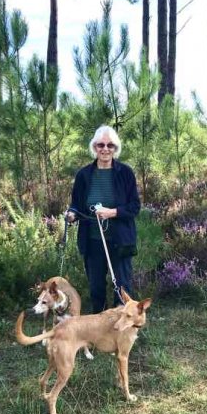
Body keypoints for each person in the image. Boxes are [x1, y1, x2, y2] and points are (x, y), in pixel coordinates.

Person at [66, 125, 140, 314]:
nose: (105, 149)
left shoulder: (125, 173)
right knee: (96, 288)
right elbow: (76, 204)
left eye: (110, 145)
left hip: (120, 241)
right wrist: (72, 214)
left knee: (122, 288)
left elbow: (134, 207)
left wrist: (112, 212)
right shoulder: (84, 175)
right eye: (101, 145)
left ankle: (123, 327)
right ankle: (99, 329)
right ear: (94, 147)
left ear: (116, 148)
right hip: (92, 241)